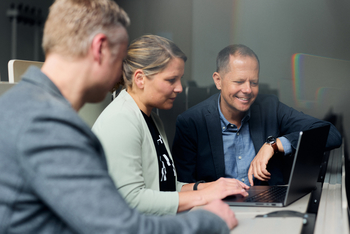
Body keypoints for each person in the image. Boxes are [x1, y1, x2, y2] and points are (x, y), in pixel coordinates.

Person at [0, 1, 238, 233]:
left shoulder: (25, 106)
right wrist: (211, 221)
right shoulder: (47, 124)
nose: (120, 72)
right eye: (120, 58)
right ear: (100, 48)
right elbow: (121, 226)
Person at [92, 35, 249, 216]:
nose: (180, 88)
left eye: (180, 79)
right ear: (140, 79)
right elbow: (131, 200)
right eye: (171, 80)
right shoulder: (120, 119)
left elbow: (164, 186)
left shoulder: (153, 119)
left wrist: (211, 186)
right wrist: (204, 195)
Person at [172, 44, 342, 187]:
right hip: (216, 211)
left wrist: (274, 145)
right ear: (218, 80)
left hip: (267, 208)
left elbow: (331, 134)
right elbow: (183, 187)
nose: (247, 90)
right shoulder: (191, 122)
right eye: (239, 82)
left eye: (254, 82)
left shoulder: (270, 107)